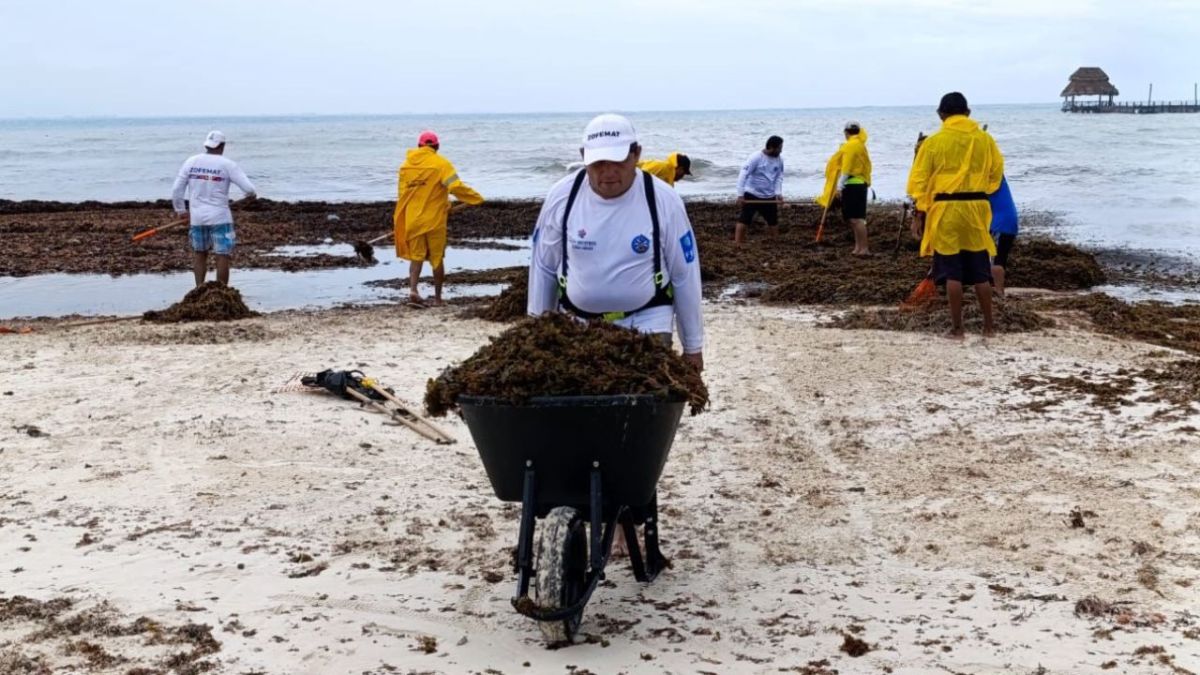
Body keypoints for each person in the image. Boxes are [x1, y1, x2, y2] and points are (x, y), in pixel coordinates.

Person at [527, 113, 704, 372]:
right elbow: (543, 267)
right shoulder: (561, 197)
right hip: (575, 324)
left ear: (636, 155)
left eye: (618, 161)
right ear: (583, 156)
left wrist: (693, 347)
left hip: (648, 321)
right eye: (598, 163)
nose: (608, 173)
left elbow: (684, 274)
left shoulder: (665, 201)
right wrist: (536, 335)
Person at [907, 92, 1004, 338]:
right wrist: (981, 191)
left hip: (946, 209)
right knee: (981, 270)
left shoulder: (933, 142)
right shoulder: (986, 140)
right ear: (968, 113)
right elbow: (996, 174)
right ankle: (989, 327)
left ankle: (958, 329)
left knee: (952, 272)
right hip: (977, 208)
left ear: (941, 115)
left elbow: (918, 180)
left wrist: (919, 211)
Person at [393, 131, 484, 307]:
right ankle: (438, 298)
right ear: (436, 147)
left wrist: (404, 219)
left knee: (416, 256)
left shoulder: (405, 166)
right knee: (436, 258)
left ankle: (413, 290)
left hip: (413, 219)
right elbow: (455, 186)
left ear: (419, 146)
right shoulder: (442, 164)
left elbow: (402, 196)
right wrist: (475, 198)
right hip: (434, 220)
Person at [171, 131, 257, 287]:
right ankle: (222, 291)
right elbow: (249, 190)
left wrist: (181, 211)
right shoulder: (227, 165)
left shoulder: (191, 161)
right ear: (222, 145)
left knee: (199, 254)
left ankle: (198, 289)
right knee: (222, 255)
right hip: (220, 217)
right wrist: (251, 196)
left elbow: (177, 190)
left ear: (207, 145)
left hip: (197, 218)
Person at [817, 122, 873, 255]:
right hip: (856, 184)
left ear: (846, 133)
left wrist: (839, 187)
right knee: (853, 219)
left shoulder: (851, 146)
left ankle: (864, 248)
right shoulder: (859, 144)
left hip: (854, 185)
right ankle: (858, 247)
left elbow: (846, 169)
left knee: (857, 219)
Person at [733, 136, 785, 245]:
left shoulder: (779, 159)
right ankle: (738, 243)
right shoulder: (756, 157)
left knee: (773, 221)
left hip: (769, 196)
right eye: (779, 148)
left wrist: (778, 193)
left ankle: (776, 243)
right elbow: (743, 175)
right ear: (771, 147)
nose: (781, 150)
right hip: (752, 194)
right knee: (745, 219)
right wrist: (740, 195)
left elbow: (779, 177)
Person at [988, 175, 1018, 296]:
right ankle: (998, 291)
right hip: (1009, 221)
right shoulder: (998, 177)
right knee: (1000, 257)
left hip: (1000, 223)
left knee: (996, 259)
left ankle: (999, 293)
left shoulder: (989, 181)